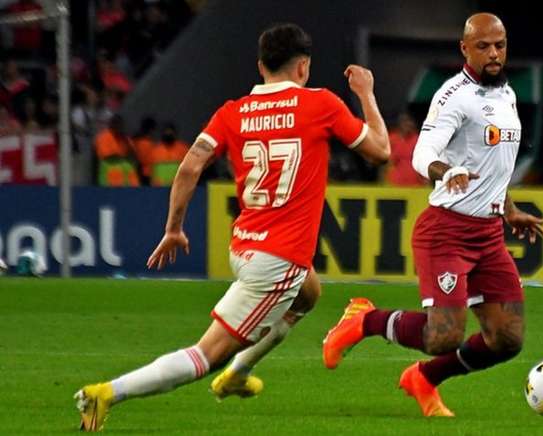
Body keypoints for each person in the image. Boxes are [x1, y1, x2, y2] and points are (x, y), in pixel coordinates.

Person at [74, 23, 390, 431]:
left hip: (245, 247)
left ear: (261, 67)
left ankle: (238, 374)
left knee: (309, 294)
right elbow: (381, 150)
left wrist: (174, 228)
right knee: (205, 355)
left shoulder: (233, 111)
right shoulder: (321, 104)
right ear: (304, 67)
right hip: (278, 262)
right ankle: (105, 394)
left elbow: (189, 166)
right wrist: (365, 92)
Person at [322, 13, 543, 417]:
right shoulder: (452, 96)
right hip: (447, 232)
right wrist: (447, 171)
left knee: (507, 338)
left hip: (489, 235)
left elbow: (495, 161)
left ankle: (423, 378)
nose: (494, 54)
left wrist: (508, 208)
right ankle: (365, 320)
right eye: (483, 46)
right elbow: (425, 155)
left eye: (500, 45)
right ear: (465, 48)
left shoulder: (506, 94)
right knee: (443, 336)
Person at [386, 112, 426, 186]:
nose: (408, 124)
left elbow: (424, 162)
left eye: (409, 122)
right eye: (405, 122)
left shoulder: (418, 139)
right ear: (400, 124)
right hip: (394, 183)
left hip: (416, 185)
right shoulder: (391, 139)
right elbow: (386, 164)